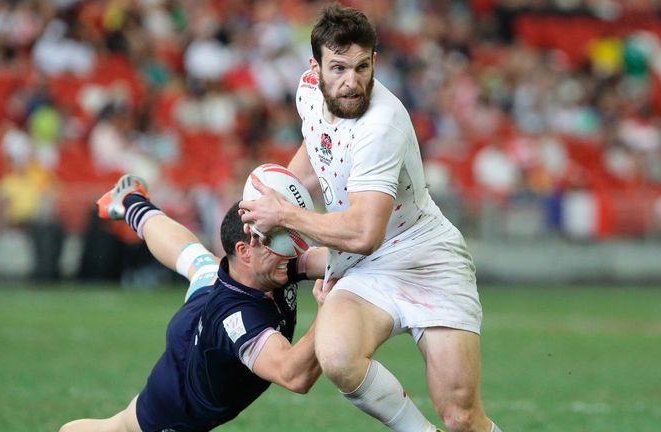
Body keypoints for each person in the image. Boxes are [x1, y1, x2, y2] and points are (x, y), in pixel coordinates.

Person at [240, 4, 502, 432]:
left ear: (374, 61)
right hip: (366, 264)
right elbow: (314, 152)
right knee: (338, 357)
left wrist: (285, 213)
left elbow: (364, 233)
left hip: (426, 259)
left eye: (362, 67)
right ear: (316, 67)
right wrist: (278, 194)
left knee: (461, 416)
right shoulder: (308, 92)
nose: (351, 81)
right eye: (338, 68)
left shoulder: (382, 124)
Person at [60, 175, 328, 432]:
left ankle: (130, 201)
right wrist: (329, 309)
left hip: (208, 300)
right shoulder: (237, 318)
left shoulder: (267, 260)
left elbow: (335, 259)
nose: (291, 250)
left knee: (199, 262)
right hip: (177, 400)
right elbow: (294, 375)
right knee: (118, 428)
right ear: (245, 251)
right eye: (279, 241)